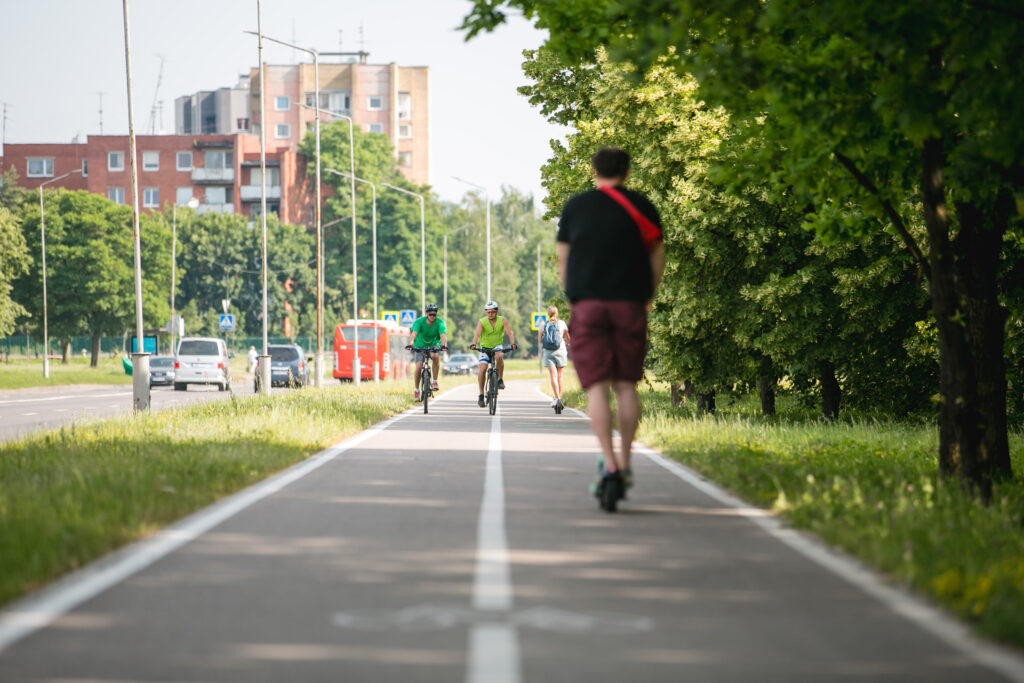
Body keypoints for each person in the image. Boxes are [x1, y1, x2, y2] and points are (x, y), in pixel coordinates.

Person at [557, 147, 665, 498]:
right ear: (628, 172)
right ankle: (626, 461)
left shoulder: (576, 207)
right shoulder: (643, 206)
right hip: (629, 303)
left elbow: (564, 259)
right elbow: (657, 255)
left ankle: (609, 464)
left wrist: (574, 297)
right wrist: (647, 294)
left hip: (588, 305)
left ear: (594, 171)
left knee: (598, 387)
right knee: (626, 385)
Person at [469, 301, 518, 408]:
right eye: (488, 312)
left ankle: (500, 379)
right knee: (482, 369)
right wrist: (474, 343)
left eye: (492, 312)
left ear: (497, 312)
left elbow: (510, 332)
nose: (490, 314)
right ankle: (481, 395)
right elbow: (477, 334)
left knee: (499, 356)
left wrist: (512, 343)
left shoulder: (503, 320)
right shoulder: (482, 321)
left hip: (497, 346)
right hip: (484, 347)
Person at [407, 303, 447, 401]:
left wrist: (442, 345)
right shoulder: (419, 322)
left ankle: (435, 381)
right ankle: (416, 390)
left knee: (435, 356)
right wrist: (411, 344)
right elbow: (413, 334)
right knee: (419, 366)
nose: (432, 316)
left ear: (436, 314)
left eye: (434, 314)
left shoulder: (440, 322)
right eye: (430, 314)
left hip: (434, 343)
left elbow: (443, 335)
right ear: (426, 314)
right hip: (419, 345)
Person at [541, 305, 571, 408]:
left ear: (548, 314)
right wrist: (566, 343)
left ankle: (556, 399)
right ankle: (559, 398)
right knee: (560, 376)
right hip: (560, 351)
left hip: (548, 353)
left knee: (553, 376)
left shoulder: (543, 324)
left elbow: (540, 340)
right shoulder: (562, 323)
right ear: (556, 313)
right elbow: (568, 337)